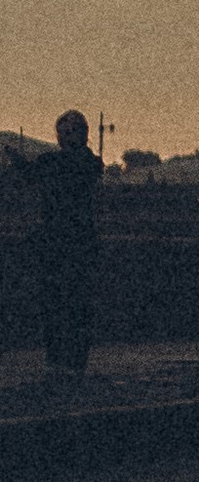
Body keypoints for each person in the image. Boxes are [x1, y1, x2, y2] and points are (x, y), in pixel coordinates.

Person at [6, 111, 104, 379]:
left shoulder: (64, 163)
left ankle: (62, 360)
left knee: (62, 304)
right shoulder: (88, 164)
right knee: (69, 305)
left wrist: (17, 160)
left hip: (61, 244)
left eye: (67, 132)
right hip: (75, 244)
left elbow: (38, 173)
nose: (63, 138)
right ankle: (69, 361)